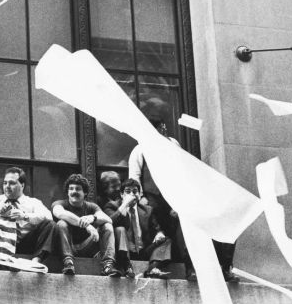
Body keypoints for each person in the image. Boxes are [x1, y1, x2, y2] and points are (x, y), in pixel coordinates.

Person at [128, 116, 239, 282]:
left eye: (164, 129)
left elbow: (183, 171)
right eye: (160, 129)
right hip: (154, 200)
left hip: (177, 197)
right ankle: (191, 267)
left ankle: (222, 267)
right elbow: (134, 177)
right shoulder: (139, 150)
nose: (163, 132)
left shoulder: (173, 144)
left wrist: (182, 200)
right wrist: (141, 197)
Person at [0, 167, 55, 264]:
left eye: (12, 183)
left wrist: (25, 216)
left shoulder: (32, 202)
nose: (7, 186)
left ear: (22, 185)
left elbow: (48, 217)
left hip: (23, 244)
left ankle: (37, 260)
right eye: (5, 183)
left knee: (50, 224)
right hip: (0, 243)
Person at [103, 178, 172, 278]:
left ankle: (152, 268)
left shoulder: (147, 210)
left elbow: (157, 228)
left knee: (166, 240)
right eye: (128, 191)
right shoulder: (112, 206)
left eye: (135, 191)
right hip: (122, 252)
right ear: (122, 195)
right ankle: (126, 266)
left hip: (143, 250)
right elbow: (109, 222)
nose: (132, 194)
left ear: (139, 195)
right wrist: (125, 205)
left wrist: (159, 233)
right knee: (120, 229)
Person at [52, 174, 118, 277]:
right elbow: (59, 213)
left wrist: (93, 217)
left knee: (107, 226)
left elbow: (109, 220)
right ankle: (68, 263)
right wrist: (87, 225)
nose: (74, 192)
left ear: (85, 192)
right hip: (66, 246)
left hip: (86, 246)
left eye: (78, 189)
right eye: (71, 189)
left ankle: (108, 265)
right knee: (61, 223)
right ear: (67, 192)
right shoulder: (60, 203)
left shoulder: (91, 206)